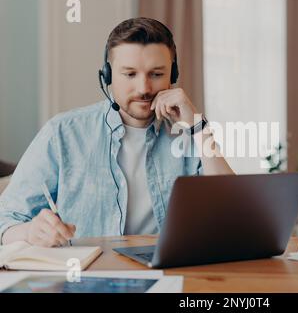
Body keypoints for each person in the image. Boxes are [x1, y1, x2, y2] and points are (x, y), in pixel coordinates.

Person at [0, 17, 234, 247]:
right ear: (108, 76)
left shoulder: (189, 133)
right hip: (87, 277)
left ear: (173, 76)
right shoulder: (62, 133)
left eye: (157, 74)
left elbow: (233, 213)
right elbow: (5, 220)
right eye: (130, 74)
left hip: (169, 273)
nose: (144, 88)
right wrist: (31, 232)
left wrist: (198, 127)